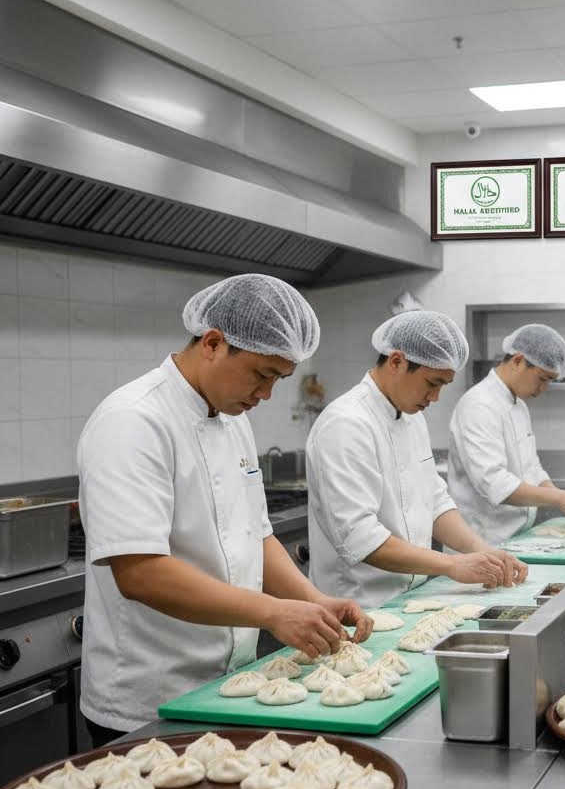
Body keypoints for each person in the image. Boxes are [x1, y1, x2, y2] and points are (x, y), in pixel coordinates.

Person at [77, 274, 372, 744]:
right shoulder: (133, 421)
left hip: (230, 688)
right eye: (262, 374)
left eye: (279, 379)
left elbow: (257, 535)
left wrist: (311, 601)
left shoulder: (232, 418)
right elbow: (139, 573)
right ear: (213, 343)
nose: (267, 394)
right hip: (150, 703)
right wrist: (274, 613)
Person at [305, 310, 528, 608]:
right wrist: (450, 565)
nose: (435, 397)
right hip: (359, 606)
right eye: (432, 383)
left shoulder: (411, 417)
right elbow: (360, 538)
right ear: (397, 362)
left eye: (443, 386)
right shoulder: (346, 423)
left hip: (410, 599)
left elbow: (434, 501)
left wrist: (480, 550)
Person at [447, 324, 565, 545]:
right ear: (518, 360)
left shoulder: (518, 405)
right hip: (482, 541)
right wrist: (559, 498)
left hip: (515, 537)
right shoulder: (479, 405)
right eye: (542, 378)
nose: (543, 389)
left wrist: (562, 495)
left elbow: (531, 468)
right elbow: (494, 483)